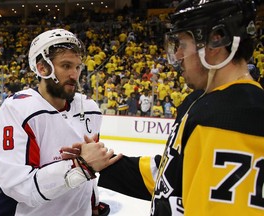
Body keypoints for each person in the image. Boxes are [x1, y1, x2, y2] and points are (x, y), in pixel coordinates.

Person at [96, 0, 264, 215]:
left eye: (183, 45)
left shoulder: (234, 115)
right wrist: (102, 165)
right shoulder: (202, 102)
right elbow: (173, 175)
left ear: (216, 40)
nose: (177, 56)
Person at [0, 28, 121, 216]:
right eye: (66, 66)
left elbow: (88, 175)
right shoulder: (18, 108)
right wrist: (80, 166)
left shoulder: (89, 107)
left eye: (77, 67)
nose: (74, 74)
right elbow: (17, 186)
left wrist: (93, 202)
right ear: (42, 68)